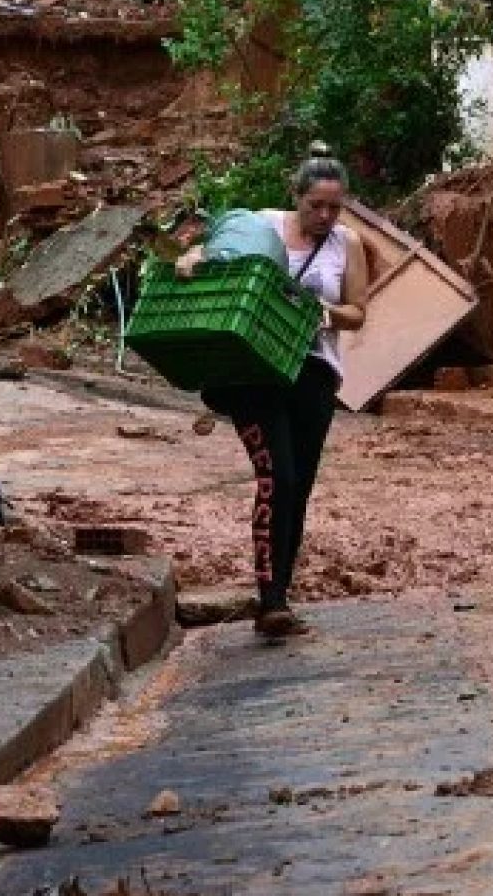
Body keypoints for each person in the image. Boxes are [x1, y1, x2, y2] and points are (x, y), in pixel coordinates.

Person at [175, 143, 371, 638]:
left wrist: (320, 310)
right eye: (315, 206)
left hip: (314, 371)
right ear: (296, 196)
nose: (325, 216)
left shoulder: (347, 243)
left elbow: (358, 311)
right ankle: (271, 601)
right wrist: (192, 256)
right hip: (255, 371)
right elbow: (209, 250)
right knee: (277, 474)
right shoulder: (261, 226)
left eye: (334, 207)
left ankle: (278, 596)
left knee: (298, 484)